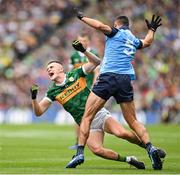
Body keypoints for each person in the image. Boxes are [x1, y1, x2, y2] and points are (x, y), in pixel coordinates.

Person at [30, 40, 155, 170]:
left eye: (51, 67)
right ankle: (130, 159)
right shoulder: (52, 91)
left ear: (60, 68)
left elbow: (96, 62)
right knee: (97, 150)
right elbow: (38, 112)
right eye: (47, 69)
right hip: (86, 124)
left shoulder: (75, 74)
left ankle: (149, 147)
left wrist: (83, 50)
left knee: (122, 133)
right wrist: (34, 98)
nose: (48, 69)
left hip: (99, 114)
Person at [67, 11, 166, 170]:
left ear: (116, 24)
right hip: (125, 79)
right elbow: (147, 42)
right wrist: (152, 30)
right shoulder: (133, 39)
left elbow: (99, 25)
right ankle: (150, 147)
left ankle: (79, 153)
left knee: (87, 115)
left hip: (108, 77)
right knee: (133, 121)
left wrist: (82, 17)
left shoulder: (115, 33)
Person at [69, 32, 99, 150]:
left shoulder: (93, 54)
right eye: (80, 41)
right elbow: (71, 72)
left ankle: (93, 141)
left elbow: (97, 71)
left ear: (89, 41)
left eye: (84, 41)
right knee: (78, 117)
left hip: (90, 90)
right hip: (77, 90)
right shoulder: (73, 56)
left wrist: (95, 86)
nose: (82, 43)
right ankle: (78, 142)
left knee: (92, 117)